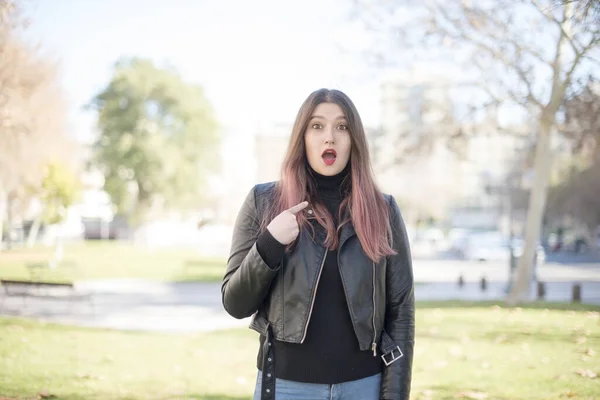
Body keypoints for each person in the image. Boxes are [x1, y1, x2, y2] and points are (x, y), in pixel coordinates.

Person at [222, 88, 414, 400]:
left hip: (363, 386)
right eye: (317, 126)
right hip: (286, 387)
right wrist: (269, 244)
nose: (330, 138)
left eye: (342, 127)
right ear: (303, 137)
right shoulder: (263, 201)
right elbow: (235, 304)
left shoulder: (384, 210)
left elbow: (401, 313)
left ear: (355, 140)